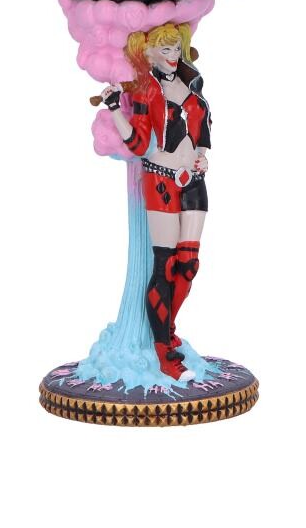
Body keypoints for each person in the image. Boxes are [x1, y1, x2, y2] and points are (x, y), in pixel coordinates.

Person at [100, 22, 212, 381]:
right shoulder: (146, 91)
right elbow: (137, 143)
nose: (173, 55)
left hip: (193, 180)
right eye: (165, 49)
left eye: (176, 48)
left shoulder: (193, 85)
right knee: (165, 264)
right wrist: (115, 109)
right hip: (160, 179)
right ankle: (164, 350)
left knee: (189, 264)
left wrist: (203, 157)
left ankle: (168, 328)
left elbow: (203, 133)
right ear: (148, 54)